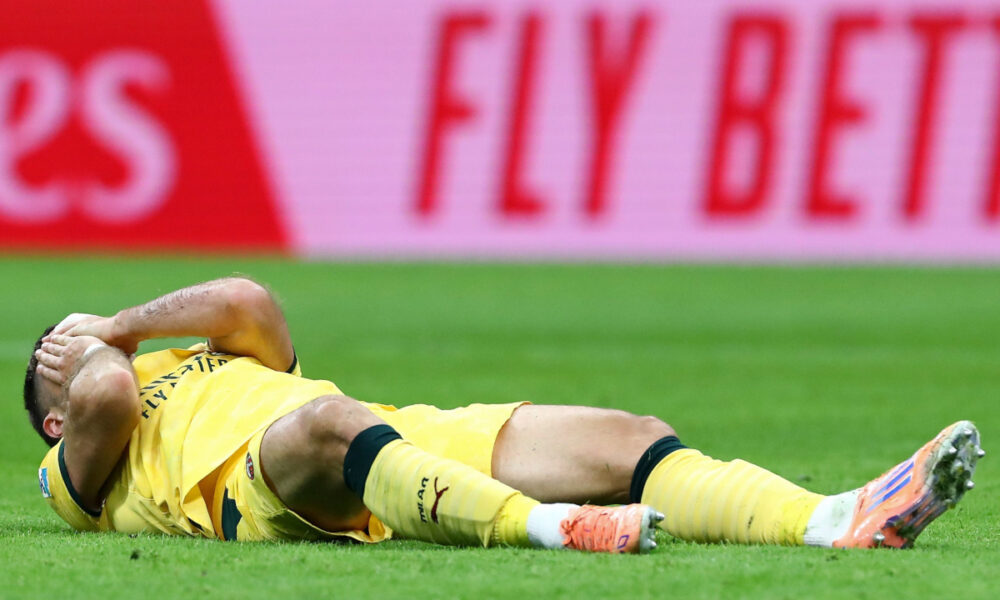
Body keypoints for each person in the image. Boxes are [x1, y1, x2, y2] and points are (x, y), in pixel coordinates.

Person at [25, 278, 983, 552]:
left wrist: (116, 323)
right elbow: (104, 395)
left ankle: (833, 518)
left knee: (625, 435)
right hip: (253, 486)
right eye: (49, 365)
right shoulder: (76, 472)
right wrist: (90, 358)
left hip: (384, 434)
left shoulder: (193, 354)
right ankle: (552, 528)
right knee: (323, 426)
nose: (76, 353)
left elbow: (250, 301)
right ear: (52, 425)